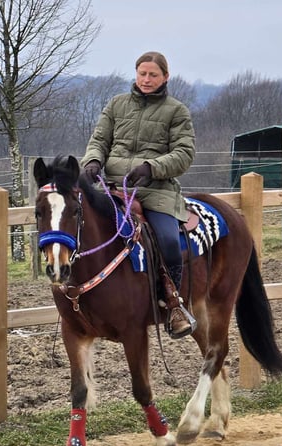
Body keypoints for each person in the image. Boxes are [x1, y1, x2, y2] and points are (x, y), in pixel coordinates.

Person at [80, 51, 196, 338]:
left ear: (165, 77)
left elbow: (184, 154)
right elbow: (99, 140)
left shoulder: (176, 111)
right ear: (136, 74)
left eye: (153, 75)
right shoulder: (116, 105)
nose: (146, 79)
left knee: (168, 241)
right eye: (142, 73)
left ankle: (172, 303)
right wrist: (93, 161)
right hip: (114, 189)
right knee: (81, 227)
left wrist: (151, 167)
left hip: (157, 190)